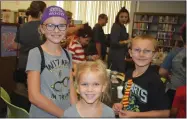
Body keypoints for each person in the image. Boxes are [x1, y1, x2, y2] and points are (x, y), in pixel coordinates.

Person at [26, 6, 77, 117]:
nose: (56, 30)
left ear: (67, 27)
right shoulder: (36, 54)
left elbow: (71, 87)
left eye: (61, 26)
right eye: (50, 25)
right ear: (42, 28)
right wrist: (64, 115)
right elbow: (34, 96)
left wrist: (75, 112)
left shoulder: (68, 55)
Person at [112, 35, 170, 118]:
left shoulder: (155, 80)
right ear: (130, 53)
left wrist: (135, 115)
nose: (141, 54)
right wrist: (120, 105)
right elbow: (127, 96)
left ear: (154, 55)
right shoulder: (128, 73)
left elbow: (165, 113)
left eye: (147, 51)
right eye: (137, 50)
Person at [10, 1, 47, 112]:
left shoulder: (22, 27)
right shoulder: (44, 28)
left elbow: (15, 45)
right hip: (39, 66)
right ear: (41, 12)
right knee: (38, 95)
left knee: (23, 96)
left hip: (23, 65)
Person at [159, 23, 186, 107]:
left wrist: (169, 76)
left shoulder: (175, 52)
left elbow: (162, 72)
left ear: (181, 37)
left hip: (175, 91)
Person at [108, 7, 131, 73]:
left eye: (126, 17)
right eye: (122, 17)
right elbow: (114, 42)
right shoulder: (116, 26)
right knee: (115, 75)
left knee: (120, 74)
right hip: (115, 55)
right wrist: (127, 41)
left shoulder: (123, 27)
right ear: (118, 17)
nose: (124, 19)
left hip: (121, 54)